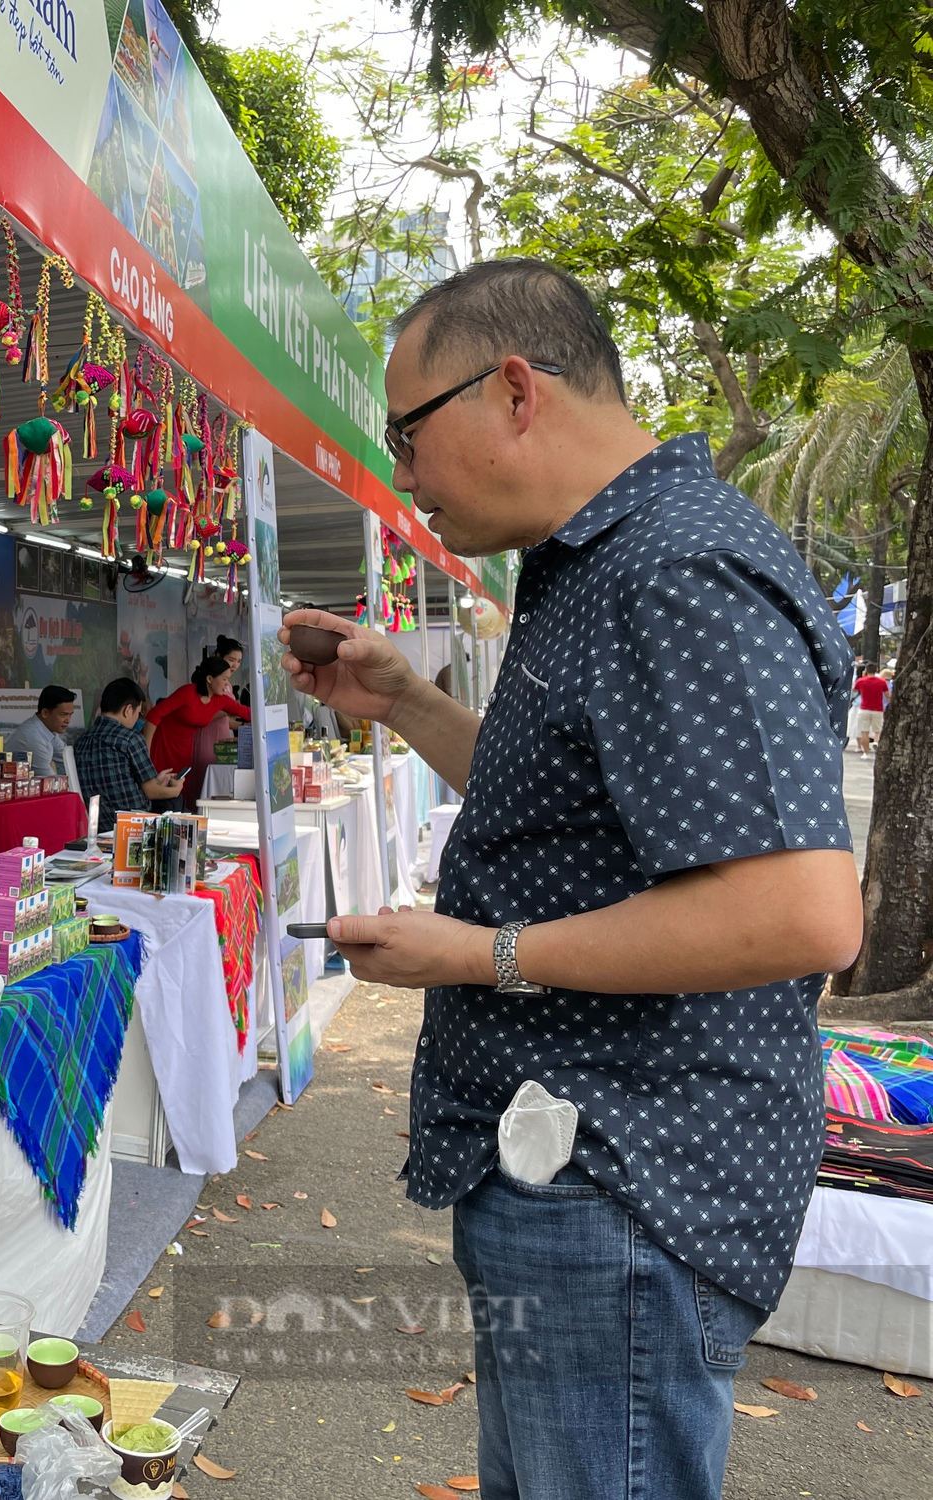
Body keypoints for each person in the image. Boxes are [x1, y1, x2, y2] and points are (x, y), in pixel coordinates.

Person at [285, 260, 862, 1500]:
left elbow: (799, 911)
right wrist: (409, 704)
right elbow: (583, 801)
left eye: (407, 433)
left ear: (510, 390)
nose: (401, 476)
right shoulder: (598, 561)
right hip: (579, 1173)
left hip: (621, 1178)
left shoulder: (675, 570)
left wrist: (476, 952)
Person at [74, 677, 185, 833]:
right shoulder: (130, 738)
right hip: (134, 823)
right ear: (127, 710)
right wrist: (175, 789)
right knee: (175, 800)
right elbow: (152, 791)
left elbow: (115, 779)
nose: (137, 719)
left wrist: (156, 780)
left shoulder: (81, 741)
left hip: (99, 824)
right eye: (138, 713)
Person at [143, 656, 251, 787]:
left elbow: (246, 712)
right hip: (161, 742)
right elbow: (154, 715)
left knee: (178, 787)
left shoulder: (221, 700)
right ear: (210, 679)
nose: (227, 684)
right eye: (224, 679)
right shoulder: (187, 693)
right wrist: (145, 750)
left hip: (184, 748)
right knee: (154, 785)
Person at [1, 684, 76, 777]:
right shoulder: (33, 738)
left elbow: (67, 757)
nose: (68, 720)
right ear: (45, 713)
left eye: (70, 715)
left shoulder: (47, 731)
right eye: (63, 714)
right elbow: (50, 782)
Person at [850, 663, 889, 754]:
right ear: (876, 670)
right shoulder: (882, 681)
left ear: (866, 671)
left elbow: (854, 691)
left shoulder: (861, 681)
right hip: (878, 709)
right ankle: (875, 742)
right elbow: (888, 695)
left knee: (864, 732)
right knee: (877, 731)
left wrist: (863, 676)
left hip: (864, 708)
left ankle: (865, 752)